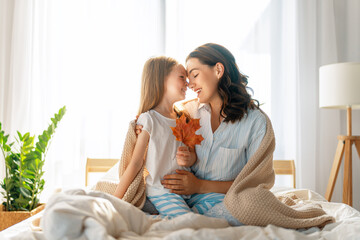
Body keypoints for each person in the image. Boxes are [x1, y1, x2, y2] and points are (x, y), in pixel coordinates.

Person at [136, 43, 266, 226]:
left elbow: (254, 185)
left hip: (220, 200)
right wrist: (138, 129)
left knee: (252, 207)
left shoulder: (256, 122)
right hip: (175, 197)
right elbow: (157, 120)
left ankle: (190, 222)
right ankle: (186, 220)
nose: (189, 84)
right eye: (187, 78)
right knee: (137, 204)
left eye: (194, 75)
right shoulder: (186, 112)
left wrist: (199, 185)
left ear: (218, 70)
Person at [113, 56, 197, 218]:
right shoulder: (149, 119)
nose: (187, 83)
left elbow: (193, 155)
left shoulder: (184, 117)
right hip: (163, 191)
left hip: (189, 192)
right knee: (189, 220)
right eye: (182, 77)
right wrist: (115, 201)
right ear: (161, 80)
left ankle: (155, 214)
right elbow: (136, 163)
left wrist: (189, 158)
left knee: (218, 203)